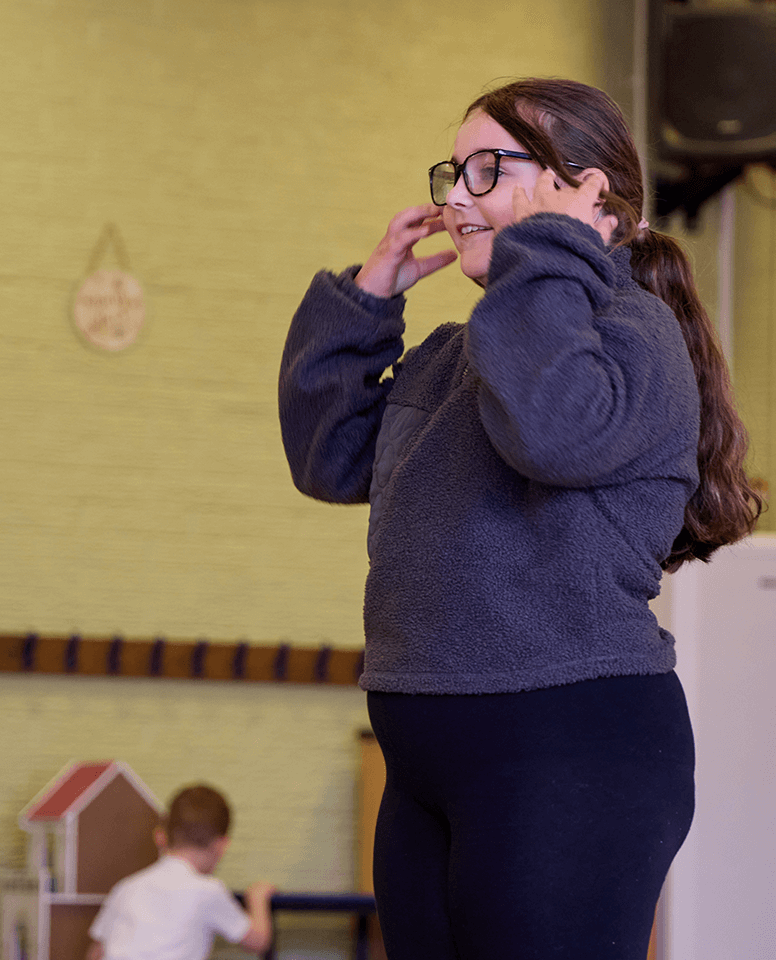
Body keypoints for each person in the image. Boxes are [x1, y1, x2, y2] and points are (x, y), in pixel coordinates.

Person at [278, 78, 764, 960]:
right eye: (452, 173)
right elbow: (329, 458)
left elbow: (553, 434)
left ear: (586, 196)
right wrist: (369, 297)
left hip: (565, 757)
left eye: (488, 170)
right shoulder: (454, 357)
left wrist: (550, 248)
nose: (456, 198)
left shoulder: (634, 332)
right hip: (427, 757)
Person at [85, 784, 275, 960]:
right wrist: (257, 897)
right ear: (220, 846)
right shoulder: (207, 890)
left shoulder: (127, 887)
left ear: (162, 837)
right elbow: (257, 941)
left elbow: (96, 953)